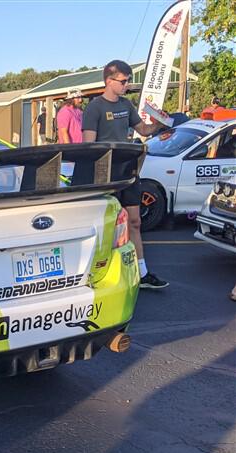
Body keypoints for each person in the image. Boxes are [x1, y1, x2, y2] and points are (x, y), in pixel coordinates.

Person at [82, 59, 168, 290]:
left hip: (127, 170)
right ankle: (96, 275)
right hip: (104, 172)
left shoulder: (127, 105)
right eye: (123, 81)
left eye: (128, 81)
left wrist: (159, 124)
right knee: (107, 225)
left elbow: (144, 130)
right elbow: (88, 145)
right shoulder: (94, 108)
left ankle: (143, 273)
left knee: (135, 222)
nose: (127, 85)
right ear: (109, 81)